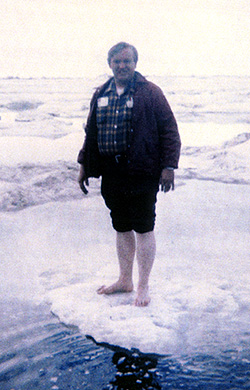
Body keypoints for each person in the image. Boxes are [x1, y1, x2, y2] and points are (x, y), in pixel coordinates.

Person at [78, 42, 181, 307]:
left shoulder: (150, 92)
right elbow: (92, 132)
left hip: (142, 170)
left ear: (135, 63)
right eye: (117, 61)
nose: (122, 66)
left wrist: (168, 166)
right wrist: (84, 165)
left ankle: (143, 285)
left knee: (144, 227)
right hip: (112, 171)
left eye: (127, 61)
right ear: (110, 63)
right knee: (121, 226)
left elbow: (169, 129)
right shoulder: (101, 93)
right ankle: (125, 279)